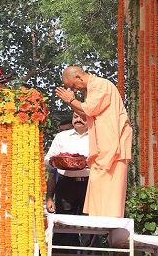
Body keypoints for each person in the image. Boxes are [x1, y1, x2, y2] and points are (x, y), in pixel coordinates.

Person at [54, 66, 133, 217]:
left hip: (113, 145)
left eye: (73, 86)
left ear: (79, 77)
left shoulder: (100, 85)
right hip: (103, 146)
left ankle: (112, 228)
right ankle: (100, 223)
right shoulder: (91, 89)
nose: (75, 90)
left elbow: (88, 110)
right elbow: (85, 113)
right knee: (98, 186)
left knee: (111, 192)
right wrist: (71, 102)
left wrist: (70, 99)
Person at [44, 113, 91, 252]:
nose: (78, 120)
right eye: (75, 116)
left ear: (90, 118)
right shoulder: (62, 137)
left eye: (82, 117)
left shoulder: (97, 136)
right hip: (66, 184)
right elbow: (48, 160)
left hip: (90, 185)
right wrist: (60, 161)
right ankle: (61, 253)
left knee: (90, 225)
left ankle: (90, 254)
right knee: (63, 224)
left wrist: (86, 162)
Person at [46, 118, 76, 213]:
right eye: (60, 131)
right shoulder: (57, 150)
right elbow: (52, 177)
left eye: (67, 130)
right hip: (64, 189)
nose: (63, 134)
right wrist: (49, 199)